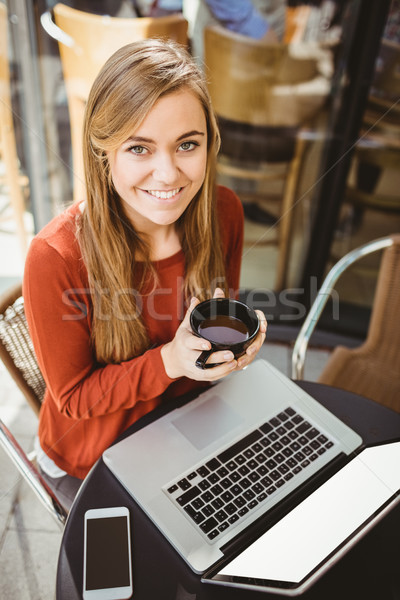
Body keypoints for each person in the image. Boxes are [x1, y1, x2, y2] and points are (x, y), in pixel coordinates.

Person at [23, 39, 267, 511]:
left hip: (188, 423)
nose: (168, 173)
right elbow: (72, 399)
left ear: (209, 142)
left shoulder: (224, 212)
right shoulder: (56, 255)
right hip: (91, 456)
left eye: (187, 144)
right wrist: (170, 362)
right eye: (139, 148)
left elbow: (211, 320)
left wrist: (236, 344)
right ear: (104, 153)